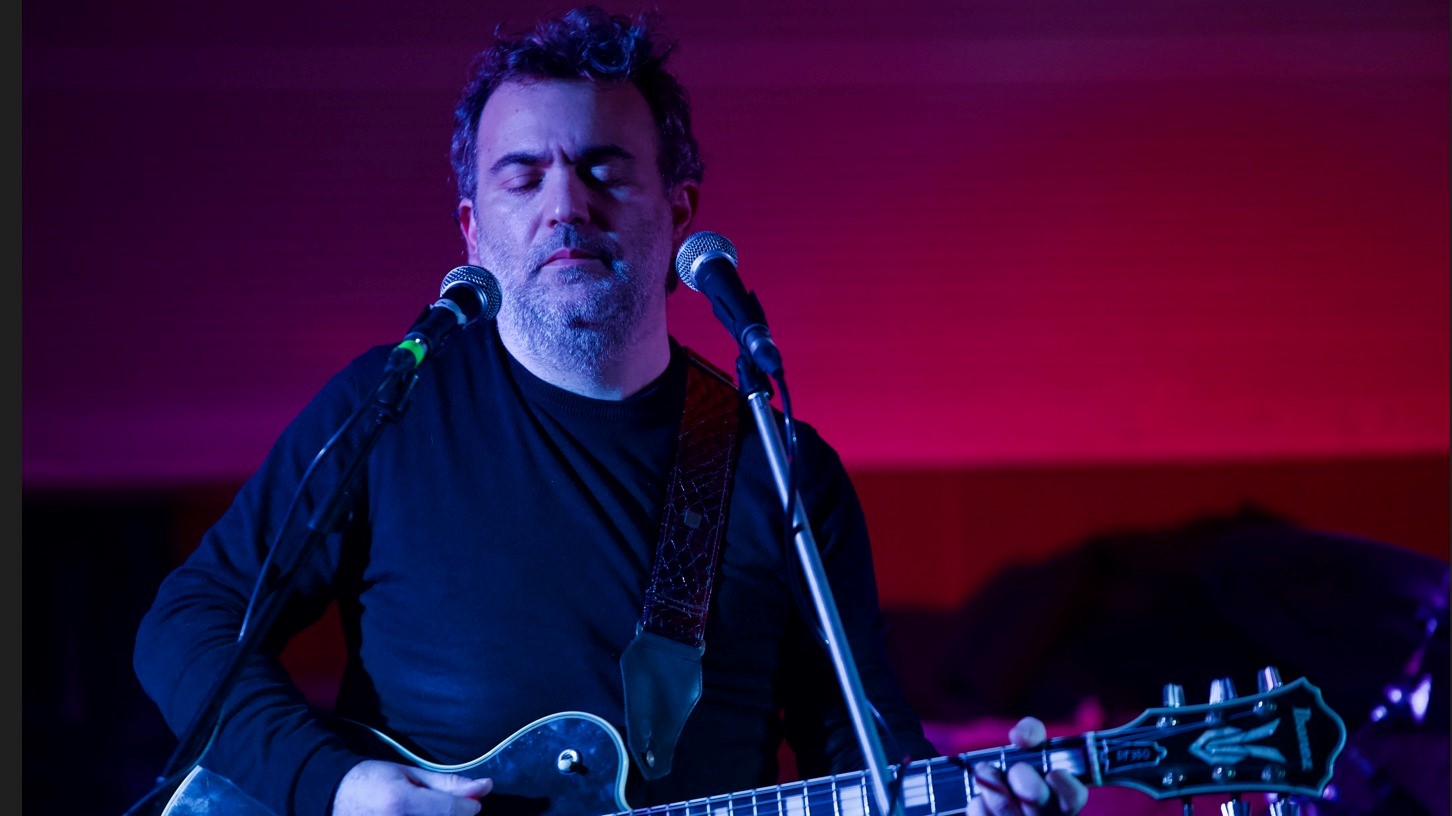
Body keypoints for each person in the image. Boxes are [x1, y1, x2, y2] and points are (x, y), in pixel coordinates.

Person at [133, 7, 1090, 816]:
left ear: (679, 212)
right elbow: (187, 625)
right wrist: (338, 786)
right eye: (523, 175)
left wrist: (967, 800)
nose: (566, 206)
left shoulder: (776, 462)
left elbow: (863, 752)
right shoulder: (394, 406)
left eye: (603, 169)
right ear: (472, 228)